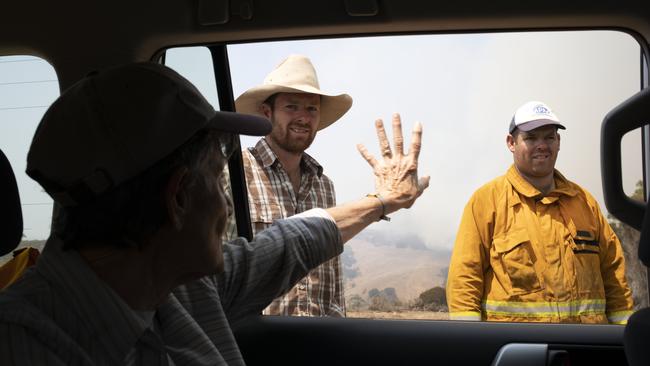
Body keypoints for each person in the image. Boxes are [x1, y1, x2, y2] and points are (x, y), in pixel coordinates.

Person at [0, 62, 429, 365]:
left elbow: (293, 240)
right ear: (179, 197)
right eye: (215, 179)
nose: (226, 206)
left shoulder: (181, 286)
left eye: (311, 107)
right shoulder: (27, 344)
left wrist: (383, 201)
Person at [446, 101, 634, 324]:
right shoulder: (486, 201)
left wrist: (622, 340)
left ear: (559, 142)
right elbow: (464, 279)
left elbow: (614, 277)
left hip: (585, 347)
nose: (542, 145)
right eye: (531, 138)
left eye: (549, 137)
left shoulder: (585, 202)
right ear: (511, 143)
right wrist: (471, 345)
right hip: (517, 348)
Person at [233, 54, 352, 317]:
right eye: (291, 107)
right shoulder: (235, 174)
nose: (303, 117)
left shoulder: (324, 185)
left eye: (311, 109)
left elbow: (333, 273)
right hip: (258, 341)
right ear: (267, 113)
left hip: (319, 343)